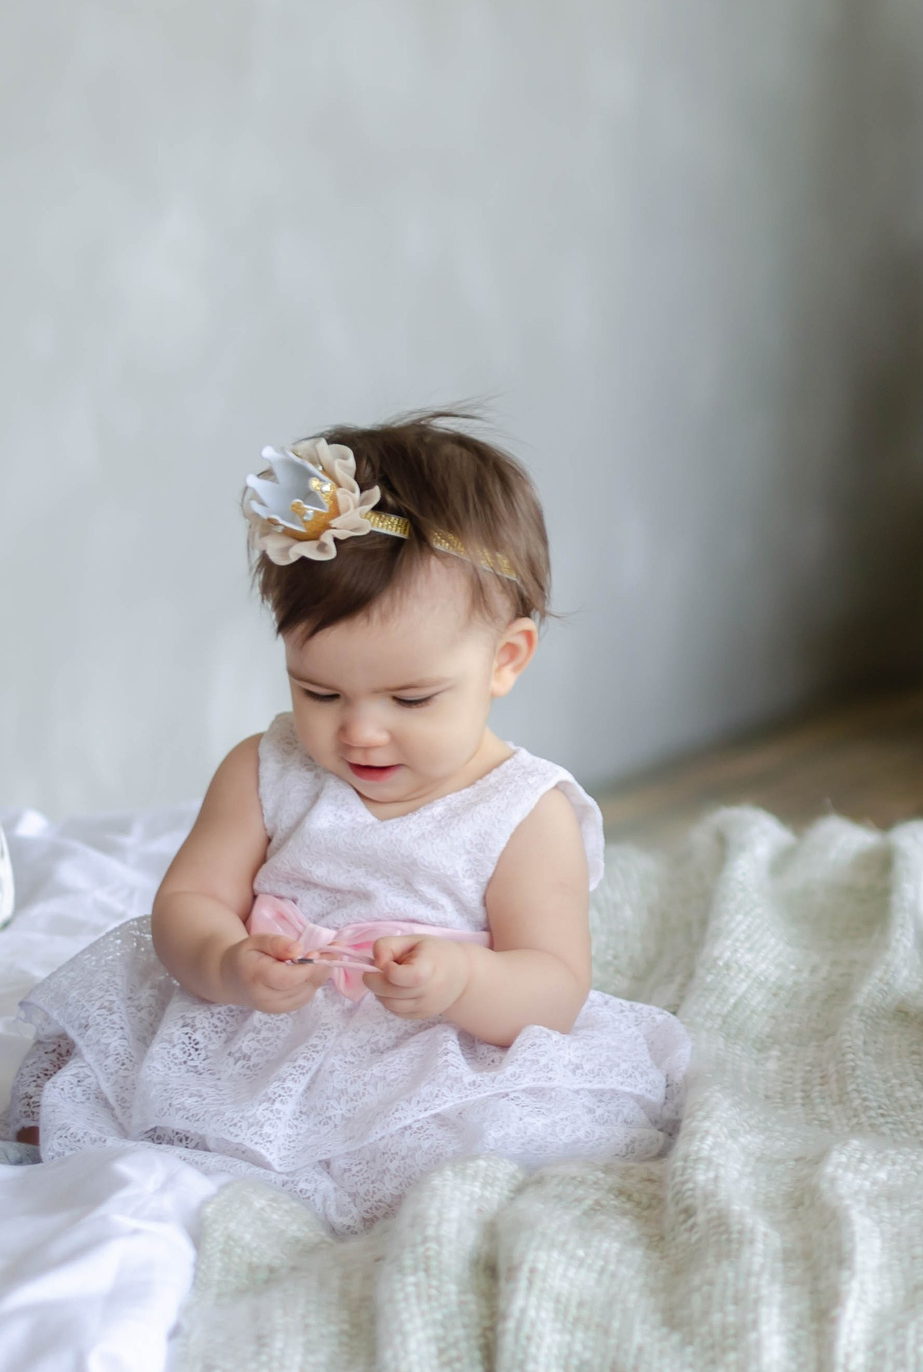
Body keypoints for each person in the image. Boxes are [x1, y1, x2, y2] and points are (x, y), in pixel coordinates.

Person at [6, 415, 689, 1234]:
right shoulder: (266, 769)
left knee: (475, 1157)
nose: (360, 731)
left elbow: (554, 985)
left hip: (425, 1047)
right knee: (93, 1096)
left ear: (506, 659)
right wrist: (227, 962)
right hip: (255, 1027)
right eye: (319, 692)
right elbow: (187, 901)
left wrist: (461, 983)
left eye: (410, 699)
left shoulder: (524, 812)